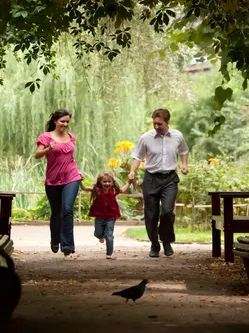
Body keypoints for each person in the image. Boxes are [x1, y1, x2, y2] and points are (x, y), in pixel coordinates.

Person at [128, 108, 189, 258]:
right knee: (151, 215)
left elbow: (184, 150)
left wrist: (184, 165)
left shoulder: (177, 136)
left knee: (167, 211)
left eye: (159, 124)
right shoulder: (146, 138)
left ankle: (166, 242)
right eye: (154, 123)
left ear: (167, 122)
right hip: (151, 179)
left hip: (169, 179)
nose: (156, 126)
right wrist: (132, 172)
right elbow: (137, 156)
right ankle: (154, 245)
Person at [35, 109, 82, 256]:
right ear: (55, 121)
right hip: (53, 180)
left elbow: (70, 158)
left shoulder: (71, 137)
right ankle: (55, 240)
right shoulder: (45, 137)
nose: (65, 124)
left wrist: (78, 172)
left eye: (67, 121)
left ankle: (67, 245)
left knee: (67, 209)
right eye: (62, 121)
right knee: (56, 212)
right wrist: (48, 148)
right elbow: (37, 155)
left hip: (71, 177)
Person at [80, 171, 130, 260]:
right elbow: (84, 188)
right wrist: (80, 180)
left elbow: (122, 190)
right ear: (100, 182)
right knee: (97, 233)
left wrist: (129, 182)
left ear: (112, 182)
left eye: (109, 181)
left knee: (109, 235)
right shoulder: (97, 190)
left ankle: (109, 253)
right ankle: (101, 236)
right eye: (104, 181)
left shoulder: (114, 190)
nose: (107, 183)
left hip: (111, 216)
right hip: (99, 216)